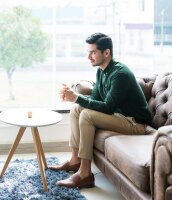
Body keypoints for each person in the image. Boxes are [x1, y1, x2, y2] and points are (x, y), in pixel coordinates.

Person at [49, 33, 152, 188]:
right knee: (77, 109)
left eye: (93, 52)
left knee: (87, 115)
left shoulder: (120, 74)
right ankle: (75, 160)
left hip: (135, 123)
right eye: (88, 52)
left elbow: (108, 107)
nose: (89, 57)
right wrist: (75, 98)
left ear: (106, 53)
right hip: (119, 116)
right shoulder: (101, 71)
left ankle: (85, 174)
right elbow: (96, 99)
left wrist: (76, 97)